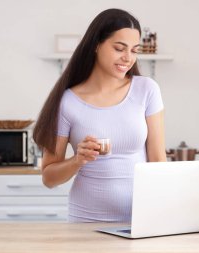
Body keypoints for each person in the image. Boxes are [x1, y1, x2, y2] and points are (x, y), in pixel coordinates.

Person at [33, 8, 166, 223]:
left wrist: (160, 212)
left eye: (134, 50)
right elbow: (49, 178)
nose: (128, 58)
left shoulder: (147, 90)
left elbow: (158, 161)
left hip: (139, 220)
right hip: (86, 222)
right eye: (119, 48)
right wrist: (77, 160)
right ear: (96, 45)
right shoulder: (68, 101)